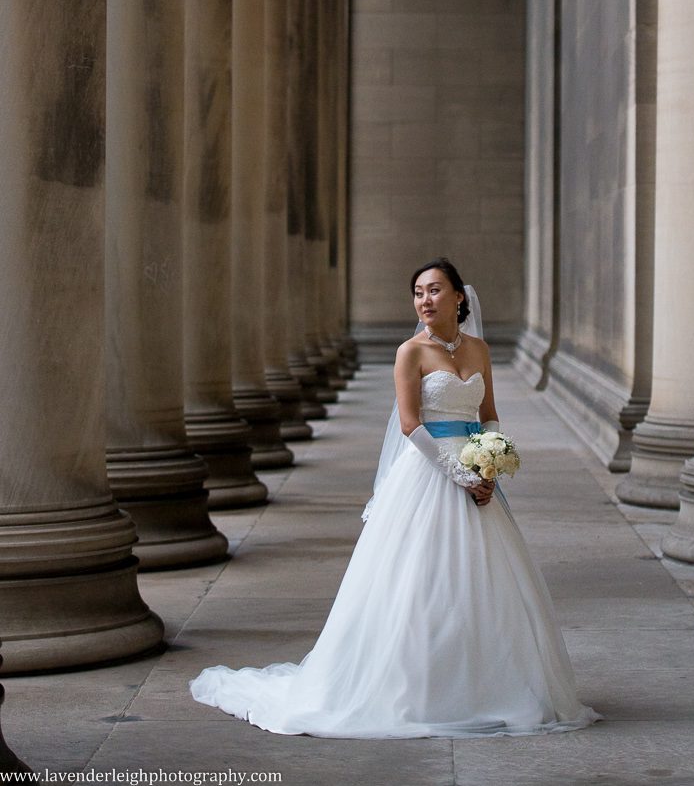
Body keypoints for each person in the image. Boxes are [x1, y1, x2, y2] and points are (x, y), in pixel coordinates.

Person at [189, 258, 600, 738]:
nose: (425, 300)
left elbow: (489, 414)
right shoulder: (411, 352)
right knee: (417, 585)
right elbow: (410, 424)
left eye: (435, 291)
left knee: (483, 582)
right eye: (418, 293)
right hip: (427, 473)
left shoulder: (480, 349)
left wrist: (489, 461)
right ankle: (417, 691)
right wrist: (459, 475)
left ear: (459, 297)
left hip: (473, 467)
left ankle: (485, 687)